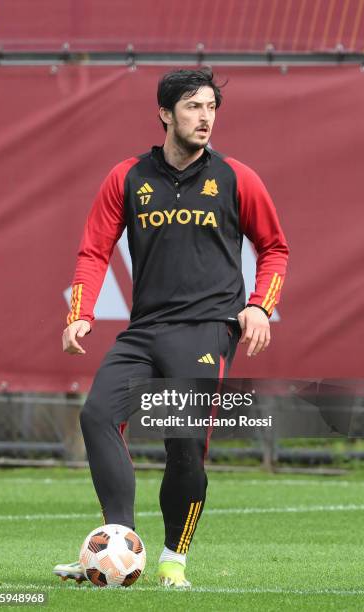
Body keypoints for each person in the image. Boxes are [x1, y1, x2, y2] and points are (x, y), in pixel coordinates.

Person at [54, 68, 289, 588]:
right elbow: (94, 251)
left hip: (207, 329)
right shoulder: (127, 177)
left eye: (211, 107)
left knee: (184, 441)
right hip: (145, 329)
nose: (205, 117)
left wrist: (259, 306)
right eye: (192, 107)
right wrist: (81, 314)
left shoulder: (235, 178)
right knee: (97, 415)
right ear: (164, 113)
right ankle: (119, 550)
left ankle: (171, 560)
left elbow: (274, 249)